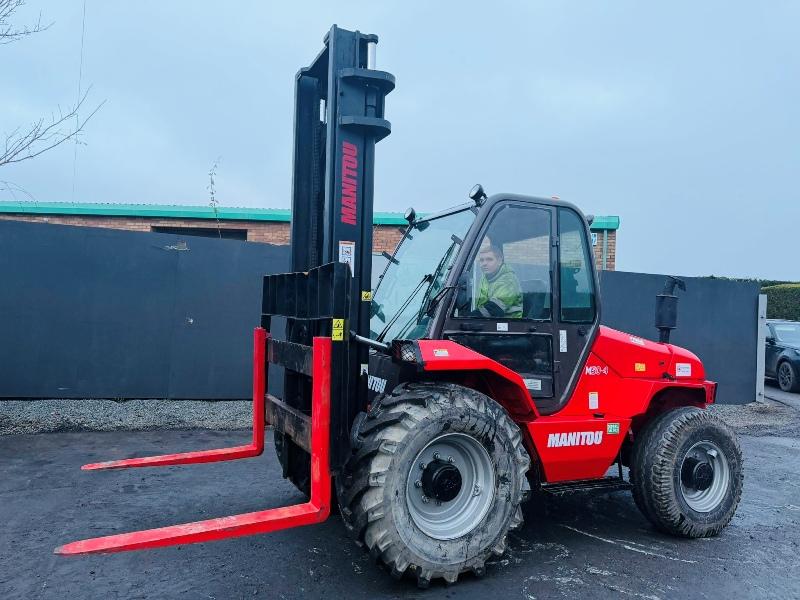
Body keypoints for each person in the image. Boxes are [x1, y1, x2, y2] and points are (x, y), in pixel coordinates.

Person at [473, 240, 523, 318]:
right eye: (481, 260)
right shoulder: (486, 277)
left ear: (499, 261)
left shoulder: (508, 280)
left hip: (508, 325)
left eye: (489, 259)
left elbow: (494, 309)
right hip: (489, 322)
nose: (484, 263)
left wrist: (470, 317)